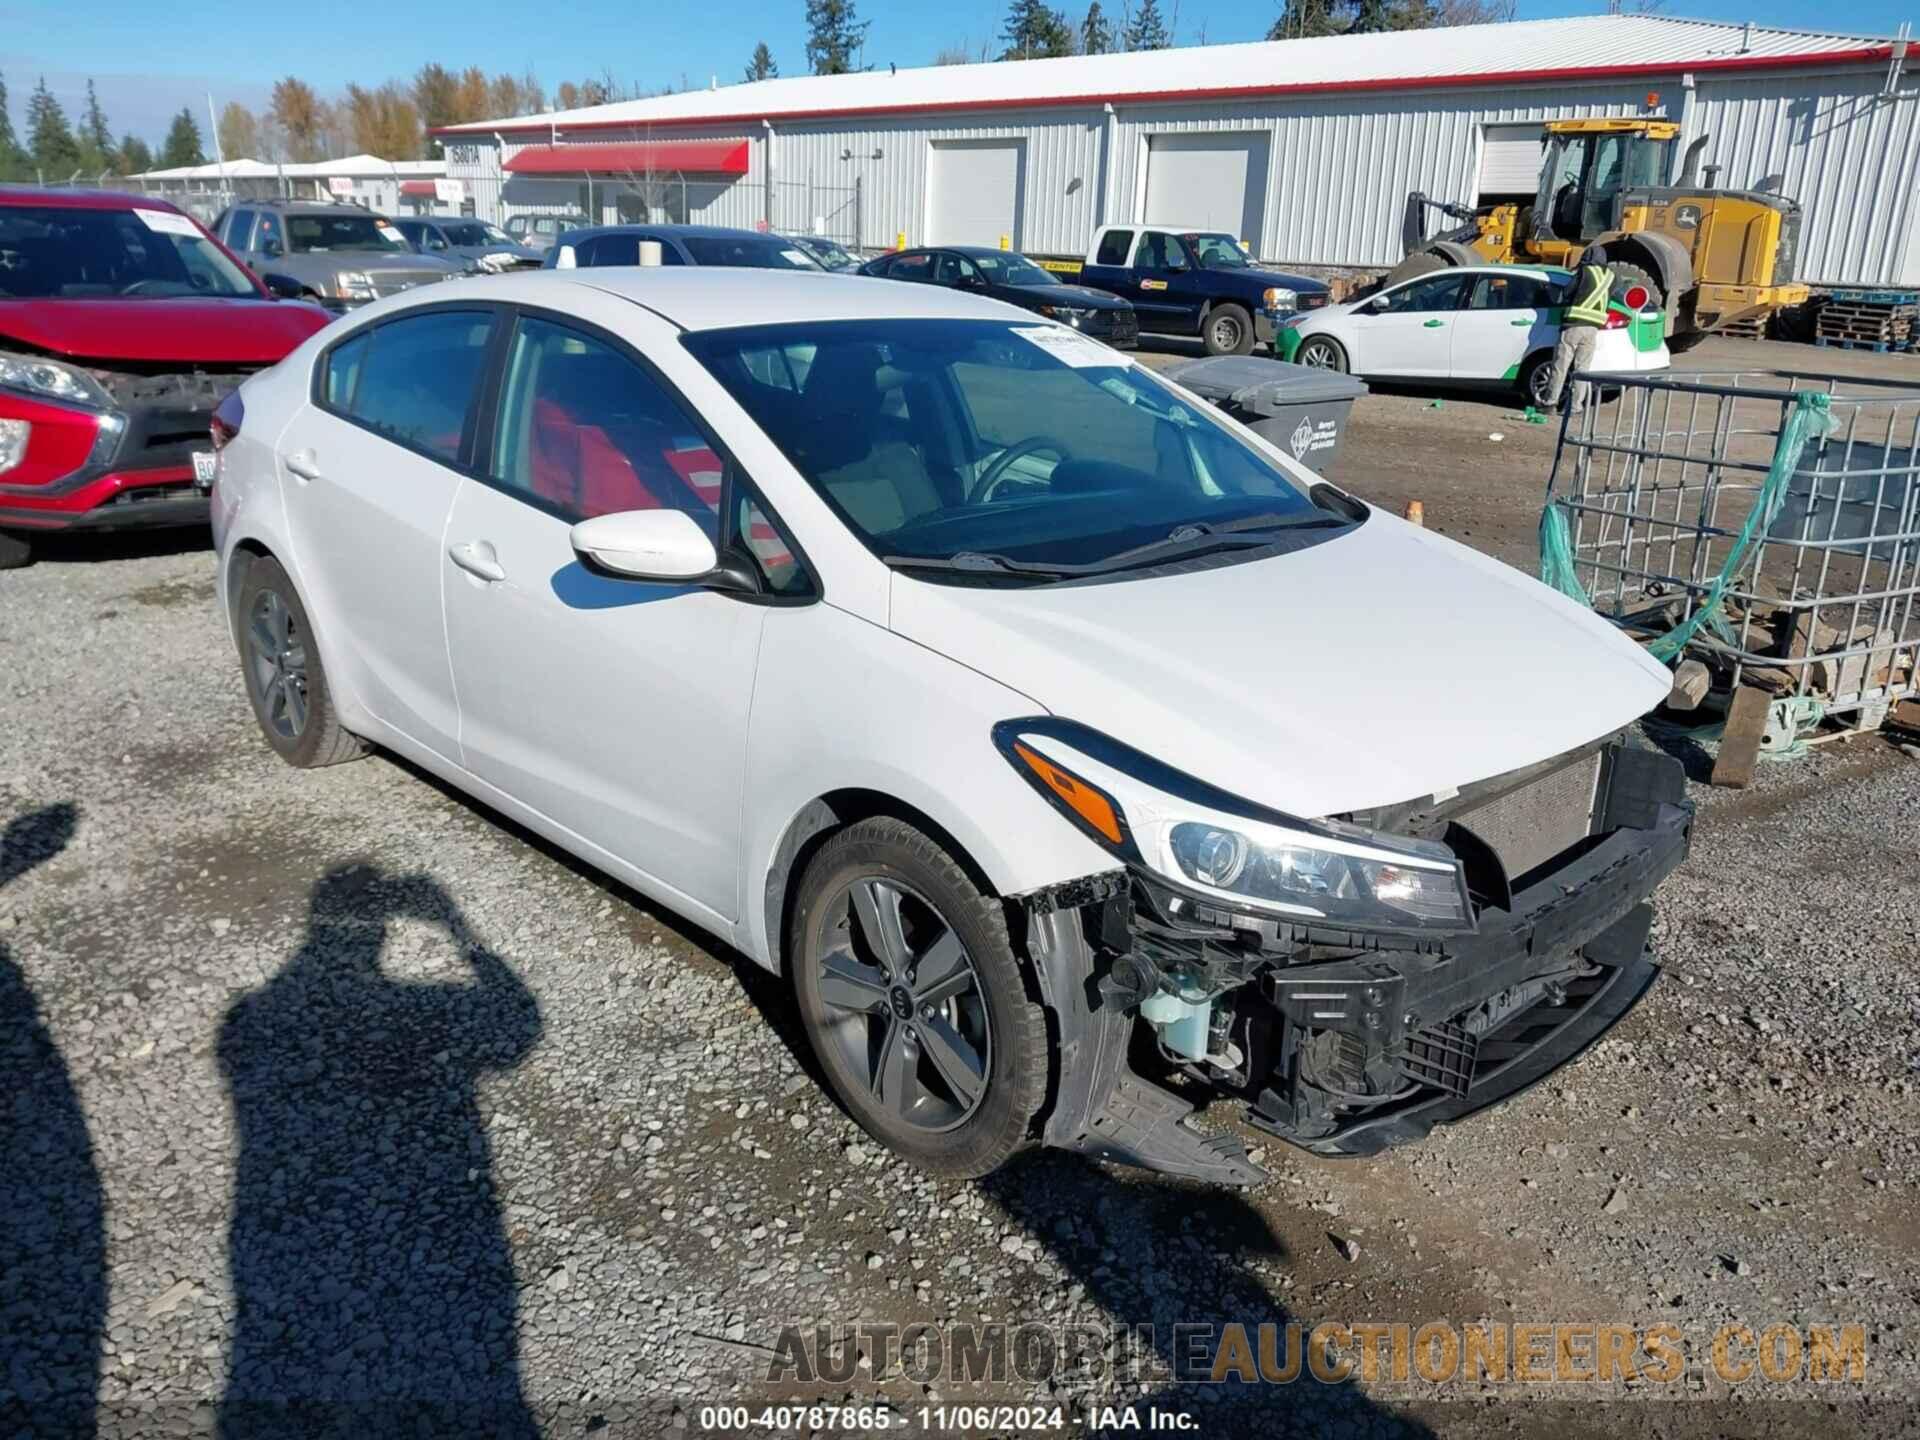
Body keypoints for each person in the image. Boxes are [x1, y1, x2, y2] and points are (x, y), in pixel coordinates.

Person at [1548, 257, 1614, 414]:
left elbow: (1566, 292)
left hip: (1574, 326)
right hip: (1593, 329)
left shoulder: (1584, 272)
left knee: (1561, 366)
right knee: (1582, 370)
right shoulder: (1611, 276)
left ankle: (1550, 403)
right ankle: (1575, 407)